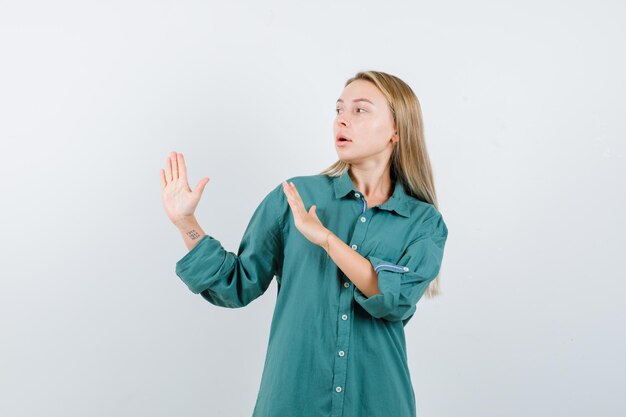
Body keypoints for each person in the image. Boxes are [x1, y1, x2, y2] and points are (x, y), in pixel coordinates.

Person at [159, 70, 449, 417]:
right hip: (292, 401)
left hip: (377, 402)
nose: (342, 119)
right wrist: (186, 222)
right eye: (339, 110)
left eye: (360, 110)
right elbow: (236, 286)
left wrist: (326, 239)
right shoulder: (294, 197)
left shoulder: (423, 221)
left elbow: (395, 299)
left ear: (397, 131)